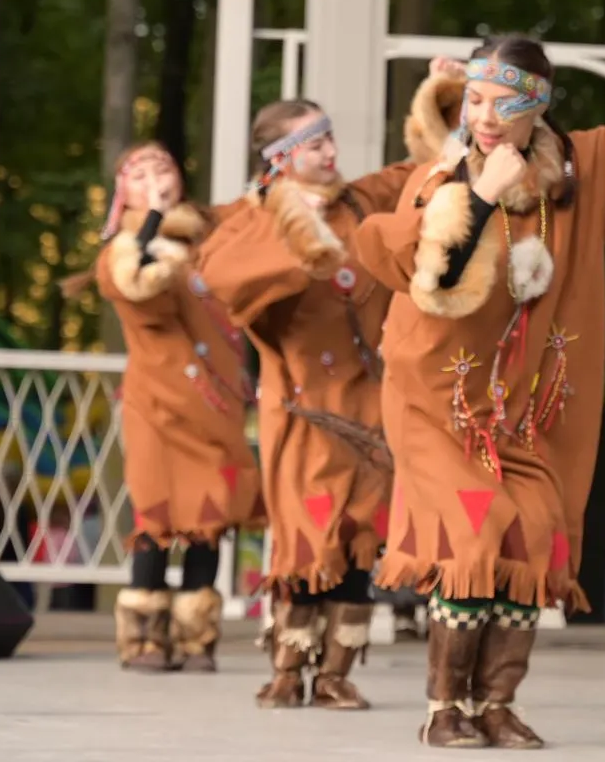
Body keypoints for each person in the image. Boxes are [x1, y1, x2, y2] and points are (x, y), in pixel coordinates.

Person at [351, 4, 605, 749]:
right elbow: (420, 268)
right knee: (474, 540)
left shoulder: (585, 170)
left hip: (531, 407)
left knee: (533, 536)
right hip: (438, 399)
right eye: (474, 99)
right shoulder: (441, 177)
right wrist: (478, 197)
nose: (484, 115)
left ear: (537, 104)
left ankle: (494, 705)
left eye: (502, 101)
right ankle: (445, 707)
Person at [194, 71, 460, 710]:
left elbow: (429, 165)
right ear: (281, 158)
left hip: (369, 402)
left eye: (330, 138)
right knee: (304, 538)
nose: (330, 152)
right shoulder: (253, 219)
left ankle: (337, 673)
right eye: (314, 144)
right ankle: (288, 667)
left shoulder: (362, 201)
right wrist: (302, 250)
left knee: (361, 537)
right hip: (302, 407)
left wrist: (443, 94)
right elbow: (219, 276)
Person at [80, 142, 261, 674]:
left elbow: (257, 211)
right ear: (124, 192)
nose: (156, 175)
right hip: (158, 400)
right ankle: (143, 638)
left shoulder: (209, 238)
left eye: (165, 166)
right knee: (157, 512)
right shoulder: (122, 249)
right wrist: (153, 218)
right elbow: (136, 285)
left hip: (215, 400)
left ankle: (196, 636)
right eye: (141, 172)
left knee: (211, 512)